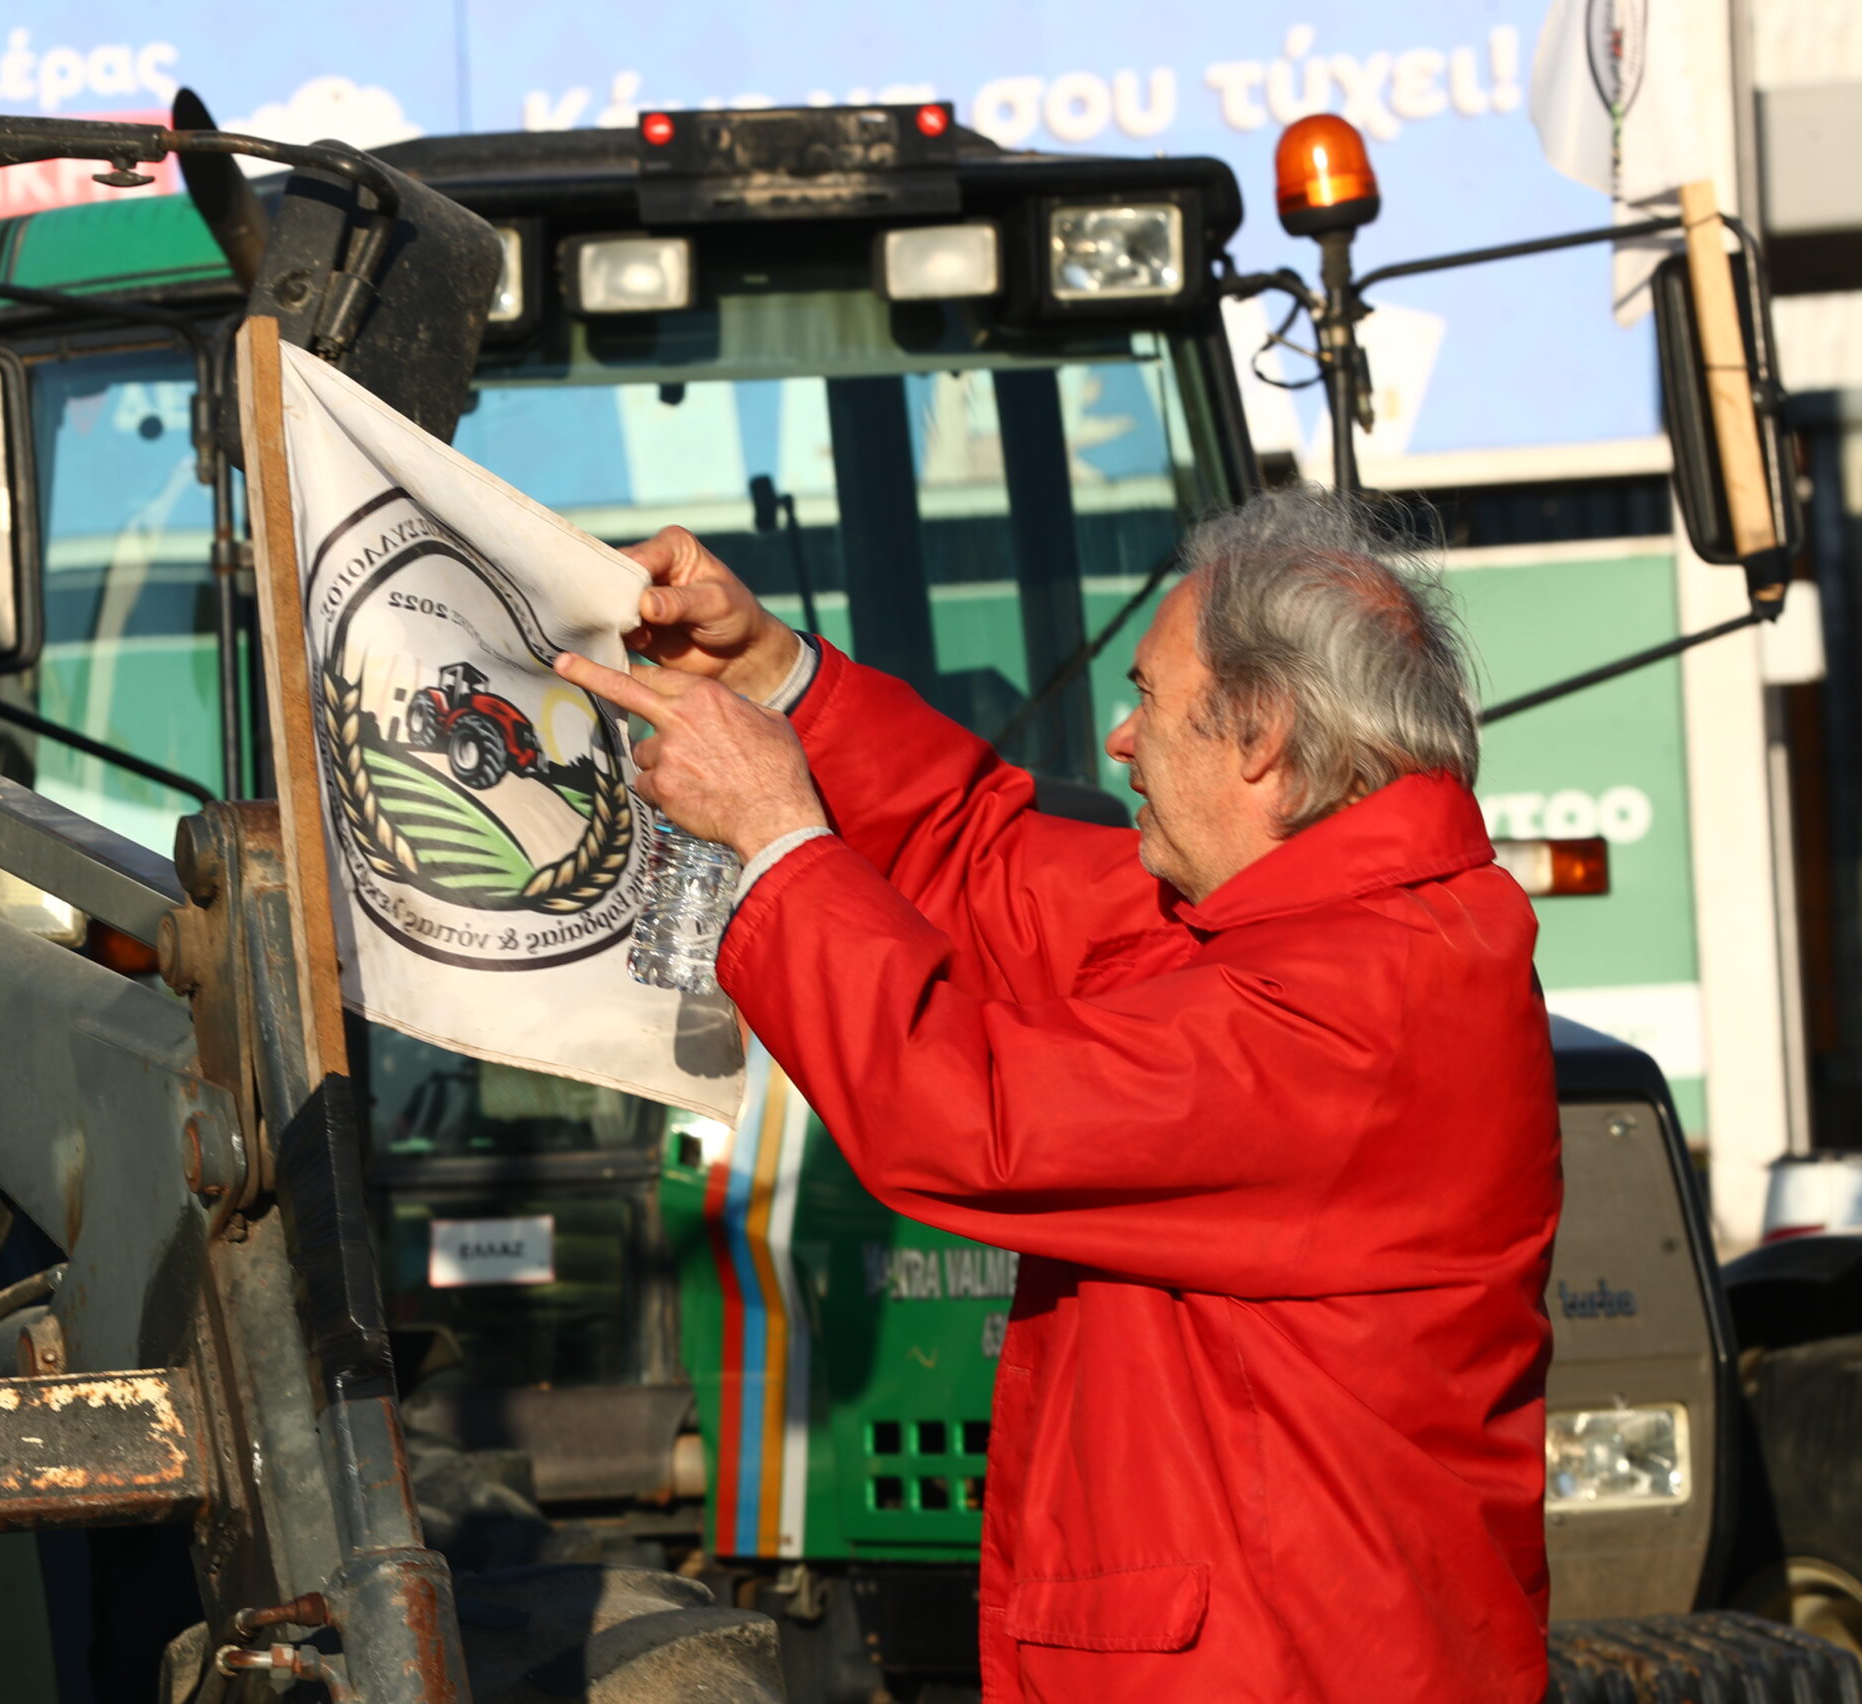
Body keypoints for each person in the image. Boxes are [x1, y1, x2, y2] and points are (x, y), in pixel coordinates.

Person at [555, 485, 1560, 1704]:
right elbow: (978, 864)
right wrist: (775, 675)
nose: (1121, 740)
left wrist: (776, 835)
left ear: (1263, 742)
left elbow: (964, 1117)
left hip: (1279, 1671)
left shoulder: (1351, 1005)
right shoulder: (1282, 919)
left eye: (1149, 700)